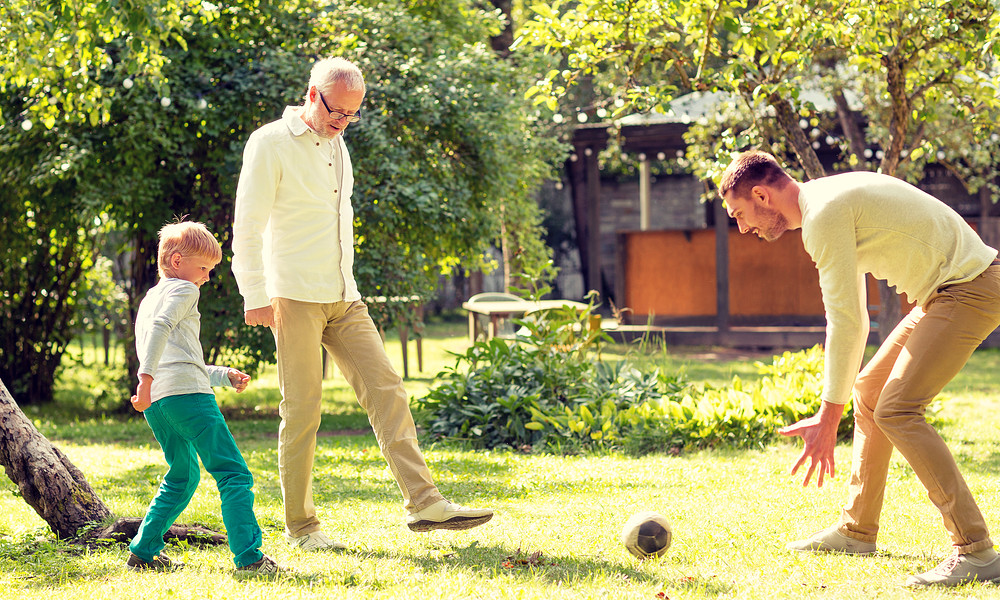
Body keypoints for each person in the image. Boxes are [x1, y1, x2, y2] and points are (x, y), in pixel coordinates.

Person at [231, 56, 493, 551]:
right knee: (303, 410)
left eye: (352, 114)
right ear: (313, 95)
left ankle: (423, 503)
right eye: (337, 111)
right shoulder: (270, 143)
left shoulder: (339, 146)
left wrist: (346, 284)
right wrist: (255, 295)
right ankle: (302, 527)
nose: (342, 122)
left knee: (387, 389)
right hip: (293, 295)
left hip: (344, 295)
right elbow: (247, 225)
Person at [718, 150, 1000, 587]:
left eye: (740, 214)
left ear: (761, 195)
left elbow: (849, 320)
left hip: (969, 287)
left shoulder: (823, 215)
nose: (743, 228)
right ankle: (857, 531)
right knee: (870, 394)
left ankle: (975, 551)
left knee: (898, 409)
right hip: (949, 289)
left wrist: (828, 416)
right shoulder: (825, 197)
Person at [129, 221, 280, 576]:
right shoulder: (185, 291)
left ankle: (144, 550)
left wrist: (220, 375)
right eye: (204, 268)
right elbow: (163, 331)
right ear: (178, 261)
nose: (207, 278)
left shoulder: (151, 298)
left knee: (182, 475)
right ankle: (250, 558)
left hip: (160, 404)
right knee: (232, 473)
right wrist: (144, 379)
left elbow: (176, 355)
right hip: (186, 397)